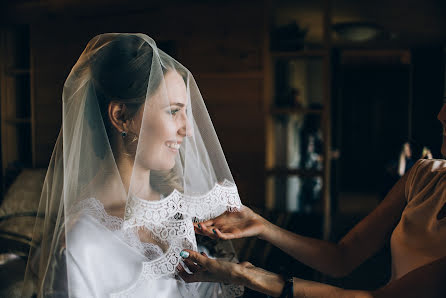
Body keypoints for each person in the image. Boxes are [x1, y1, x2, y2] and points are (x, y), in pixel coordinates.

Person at [21, 33, 244, 297]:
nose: (189, 131)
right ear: (121, 116)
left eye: (187, 112)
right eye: (173, 111)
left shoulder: (178, 211)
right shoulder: (83, 245)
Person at [178, 103, 446, 297]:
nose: (441, 114)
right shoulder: (424, 176)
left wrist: (246, 274)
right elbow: (342, 257)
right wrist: (263, 226)